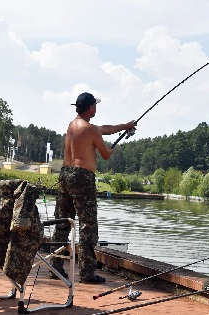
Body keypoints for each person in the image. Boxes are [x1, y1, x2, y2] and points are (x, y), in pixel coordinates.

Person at [51, 92, 136, 284]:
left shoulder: (73, 125)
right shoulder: (91, 129)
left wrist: (125, 126)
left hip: (65, 174)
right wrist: (115, 146)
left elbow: (105, 129)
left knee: (63, 222)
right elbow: (106, 154)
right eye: (95, 105)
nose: (96, 108)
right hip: (82, 177)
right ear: (91, 108)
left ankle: (54, 267)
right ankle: (87, 273)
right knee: (88, 226)